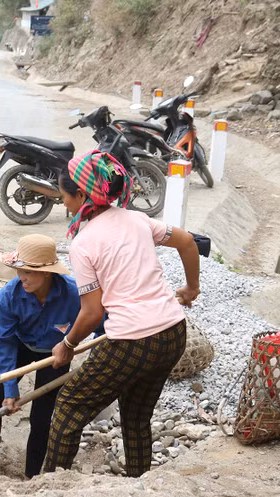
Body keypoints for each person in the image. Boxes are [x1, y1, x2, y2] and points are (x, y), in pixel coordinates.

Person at [43, 150, 201, 476]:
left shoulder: (83, 244)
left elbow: (92, 313)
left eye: (64, 196)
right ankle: (139, 482)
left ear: (82, 195)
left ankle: (49, 486)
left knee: (70, 406)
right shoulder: (137, 219)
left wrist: (67, 345)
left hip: (133, 340)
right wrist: (191, 288)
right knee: (136, 415)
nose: (63, 202)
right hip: (173, 332)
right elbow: (187, 241)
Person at [0, 234, 102, 478]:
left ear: (47, 273)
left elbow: (100, 321)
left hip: (57, 352)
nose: (21, 277)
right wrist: (10, 390)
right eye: (19, 271)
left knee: (42, 418)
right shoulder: (8, 296)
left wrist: (98, 355)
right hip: (19, 345)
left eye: (28, 272)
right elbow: (3, 342)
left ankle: (32, 476)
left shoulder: (74, 294)